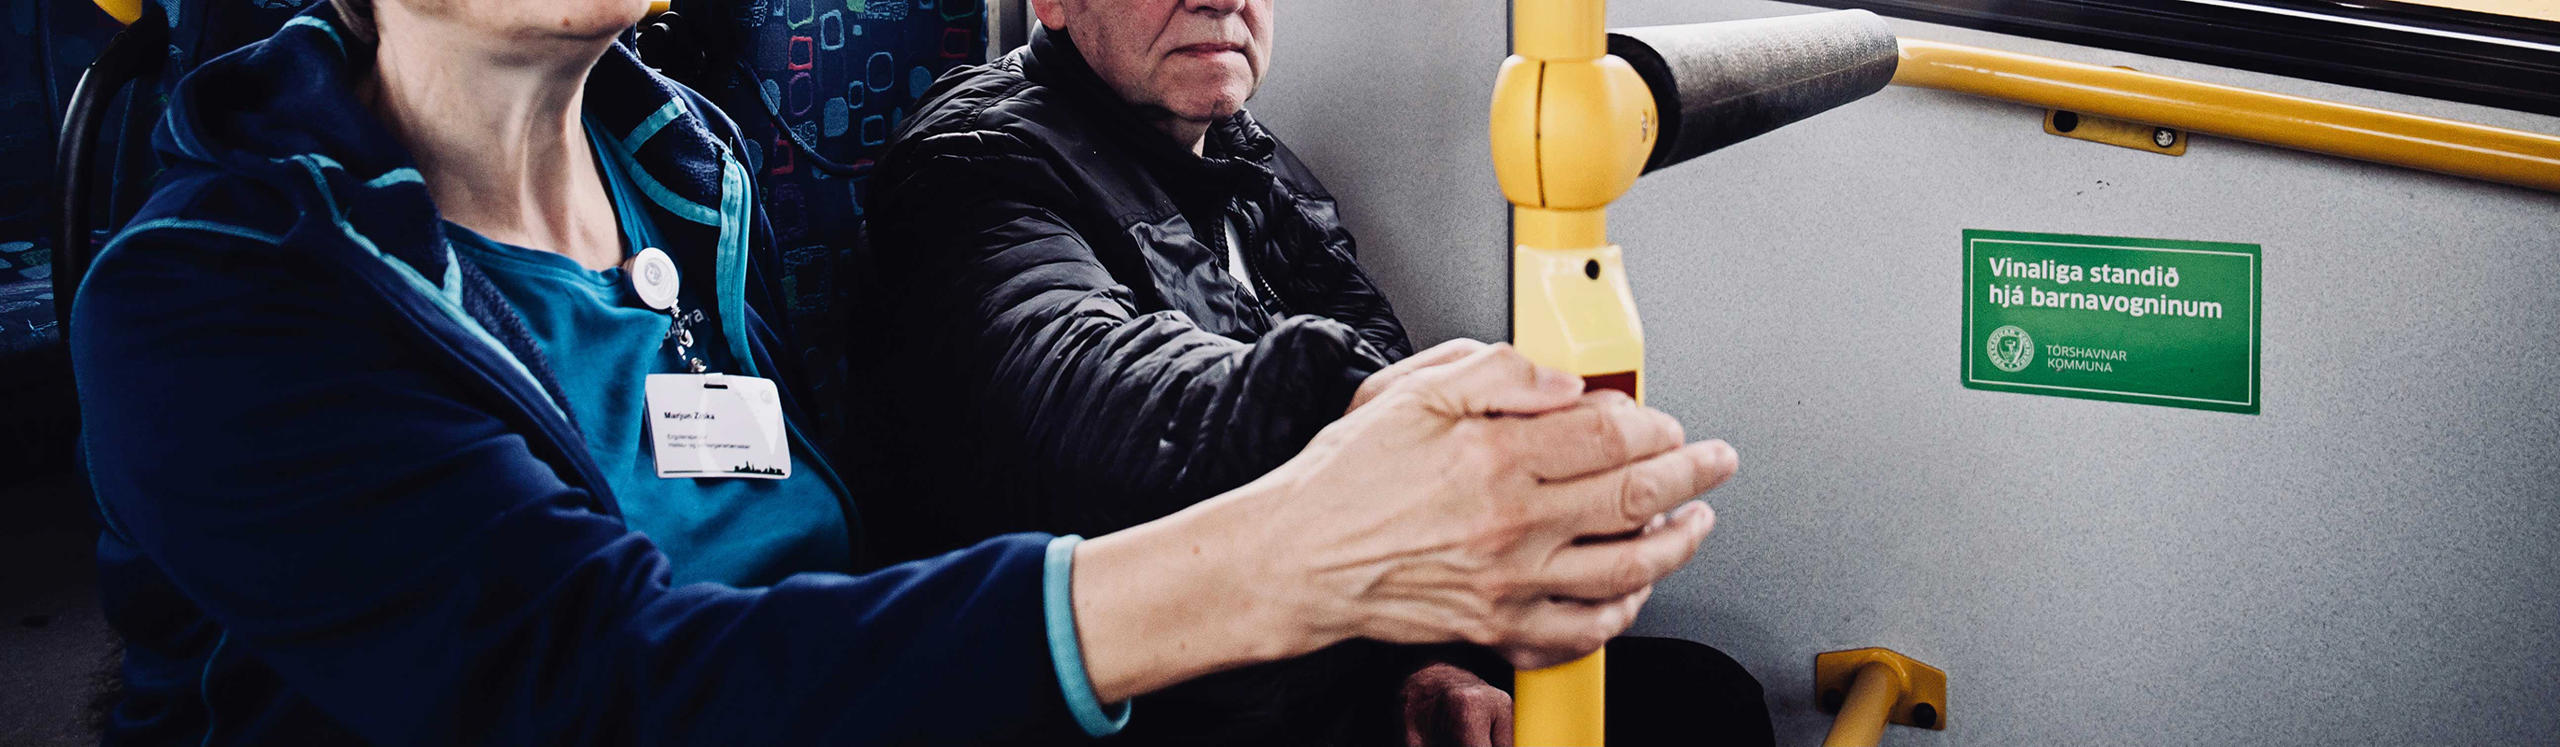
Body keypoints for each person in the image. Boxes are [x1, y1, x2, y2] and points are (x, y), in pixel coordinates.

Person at [68, 0, 1740, 744]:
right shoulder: (216, 297)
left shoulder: (691, 183)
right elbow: (609, 693)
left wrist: (1359, 679)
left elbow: (845, 585)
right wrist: (1299, 552)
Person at [865, 1, 1775, 744]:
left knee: (1704, 701)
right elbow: (1078, 381)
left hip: (1311, 664)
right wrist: (1359, 408)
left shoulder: (1256, 165)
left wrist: (1423, 670)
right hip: (1144, 698)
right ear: (1053, 3)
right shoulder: (975, 158)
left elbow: (1376, 350)